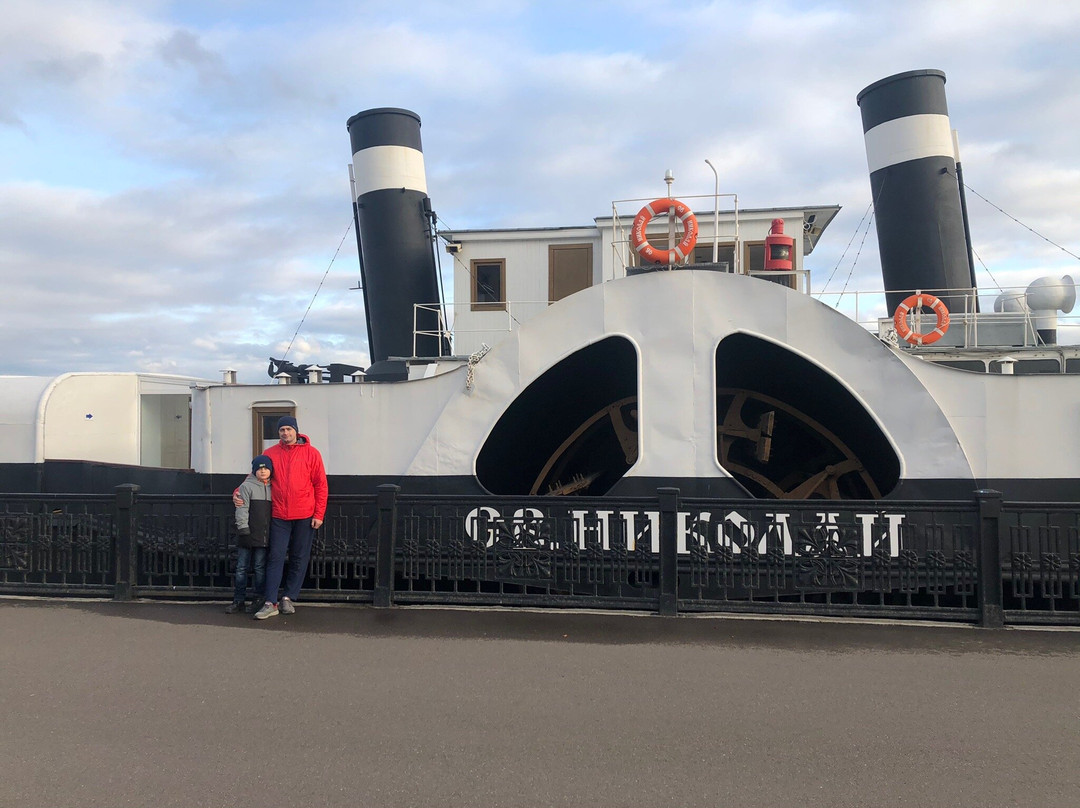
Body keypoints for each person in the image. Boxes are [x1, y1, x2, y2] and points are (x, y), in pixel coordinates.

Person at [243, 415, 327, 620]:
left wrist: (319, 514)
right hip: (279, 514)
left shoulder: (312, 453)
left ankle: (288, 597)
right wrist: (238, 491)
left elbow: (320, 485)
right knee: (276, 557)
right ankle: (271, 602)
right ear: (278, 433)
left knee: (299, 557)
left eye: (289, 429)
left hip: (305, 514)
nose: (285, 433)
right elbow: (256, 475)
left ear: (296, 431)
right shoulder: (270, 453)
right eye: (282, 430)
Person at [227, 454, 273, 613]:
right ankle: (238, 600)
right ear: (254, 471)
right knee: (242, 568)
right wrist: (244, 531)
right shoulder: (246, 487)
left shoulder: (273, 488)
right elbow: (242, 510)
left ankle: (258, 599)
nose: (263, 471)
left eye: (266, 468)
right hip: (248, 534)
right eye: (259, 469)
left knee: (260, 568)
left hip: (263, 536)